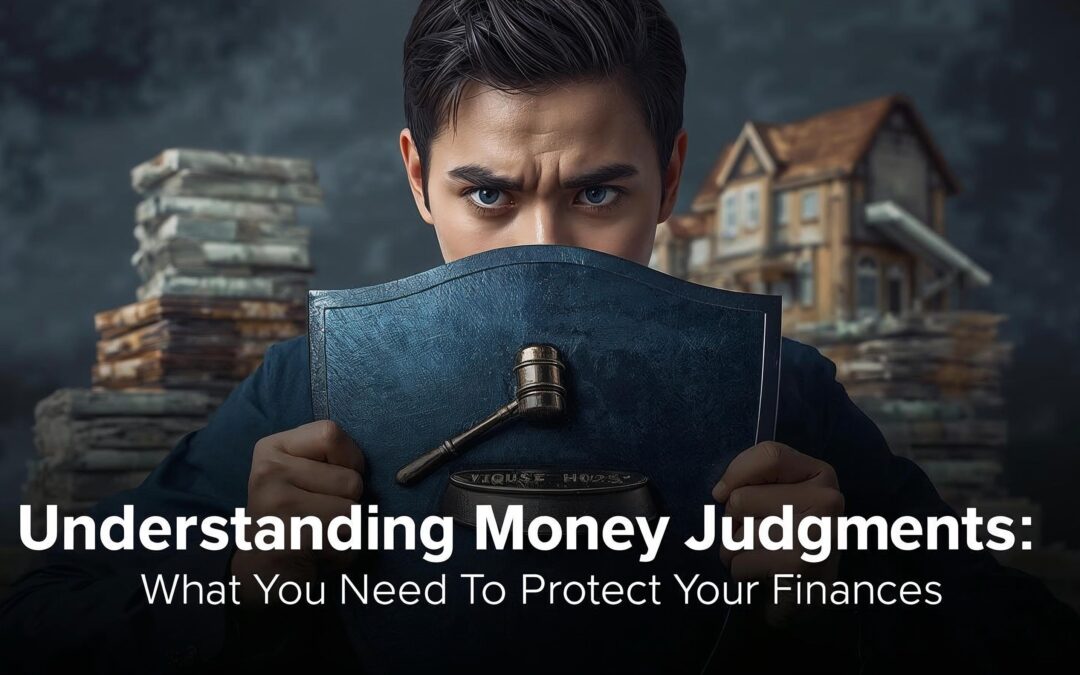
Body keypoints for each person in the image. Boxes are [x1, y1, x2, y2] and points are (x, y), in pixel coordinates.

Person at [2, 1, 1077, 673]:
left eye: (600, 192)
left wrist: (848, 596)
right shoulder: (316, 386)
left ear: (671, 174)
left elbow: (1020, 632)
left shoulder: (773, 387)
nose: (545, 244)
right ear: (421, 179)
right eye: (490, 194)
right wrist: (239, 587)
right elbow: (47, 619)